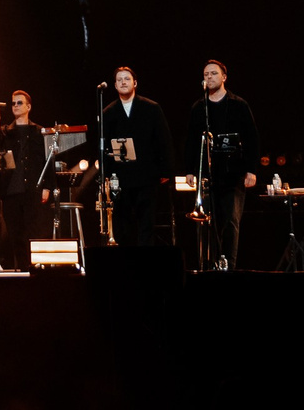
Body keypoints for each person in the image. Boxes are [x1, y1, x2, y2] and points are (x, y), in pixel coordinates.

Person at [186, 60, 262, 271]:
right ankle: (210, 266)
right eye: (206, 74)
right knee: (209, 223)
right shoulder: (199, 107)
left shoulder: (239, 105)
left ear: (224, 77)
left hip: (233, 173)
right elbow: (192, 141)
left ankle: (229, 265)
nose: (209, 77)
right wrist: (190, 170)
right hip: (209, 175)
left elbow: (252, 139)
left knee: (230, 222)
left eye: (213, 73)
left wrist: (251, 169)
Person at [100, 65, 172, 245]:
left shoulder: (151, 108)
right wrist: (105, 175)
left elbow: (164, 140)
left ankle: (146, 266)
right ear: (115, 86)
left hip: (146, 175)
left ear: (135, 83)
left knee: (147, 223)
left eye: (127, 79)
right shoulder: (108, 112)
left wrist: (165, 170)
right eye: (119, 80)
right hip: (120, 177)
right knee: (123, 224)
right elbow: (104, 145)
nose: (123, 82)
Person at [0, 89, 48, 268]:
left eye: (19, 103)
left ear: (28, 106)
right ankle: (20, 268)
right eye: (13, 103)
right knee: (15, 233)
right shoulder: (6, 132)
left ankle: (35, 267)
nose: (15, 106)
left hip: (32, 189)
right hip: (11, 190)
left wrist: (47, 186)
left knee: (34, 231)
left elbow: (47, 159)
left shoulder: (39, 131)